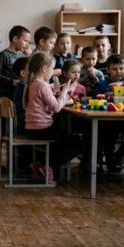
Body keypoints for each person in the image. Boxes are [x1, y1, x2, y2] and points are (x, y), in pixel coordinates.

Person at [24, 51, 82, 184]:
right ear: (44, 69)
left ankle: (42, 165)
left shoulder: (32, 83)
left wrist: (55, 91)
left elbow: (38, 104)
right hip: (42, 129)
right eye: (52, 69)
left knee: (62, 142)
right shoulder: (42, 85)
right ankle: (49, 167)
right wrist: (65, 92)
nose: (53, 72)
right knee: (78, 144)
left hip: (31, 129)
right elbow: (56, 108)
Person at [0, 25, 31, 171]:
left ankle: (14, 164)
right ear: (15, 39)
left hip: (15, 99)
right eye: (25, 40)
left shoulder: (22, 56)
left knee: (12, 131)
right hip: (2, 98)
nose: (27, 44)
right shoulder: (4, 55)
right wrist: (12, 81)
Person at [93, 54, 124, 171]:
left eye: (121, 68)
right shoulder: (103, 83)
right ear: (108, 70)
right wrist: (106, 95)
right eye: (114, 69)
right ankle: (111, 161)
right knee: (109, 135)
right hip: (106, 120)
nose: (118, 72)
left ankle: (117, 157)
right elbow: (94, 97)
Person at [12, 57, 30, 136]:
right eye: (31, 69)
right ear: (23, 73)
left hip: (22, 124)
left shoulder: (21, 86)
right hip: (25, 125)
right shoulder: (24, 88)